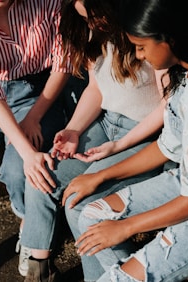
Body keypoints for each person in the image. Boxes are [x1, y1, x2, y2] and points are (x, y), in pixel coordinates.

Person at [71, 0, 188, 281]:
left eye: (141, 47)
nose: (138, 56)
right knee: (92, 215)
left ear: (170, 38)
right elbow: (166, 146)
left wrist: (127, 227)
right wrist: (100, 176)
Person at [19, 0, 168, 280]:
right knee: (41, 176)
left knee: (80, 202)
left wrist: (119, 146)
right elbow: (96, 89)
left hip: (143, 135)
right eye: (86, 18)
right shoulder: (90, 30)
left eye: (96, 16)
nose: (93, 24)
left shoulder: (142, 32)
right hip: (105, 123)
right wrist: (74, 130)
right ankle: (39, 272)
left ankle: (119, 275)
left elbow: (166, 108)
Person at [0, 0, 71, 277]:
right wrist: (26, 149)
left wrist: (34, 117)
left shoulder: (49, 2)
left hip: (38, 94)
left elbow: (64, 61)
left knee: (18, 171)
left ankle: (30, 224)